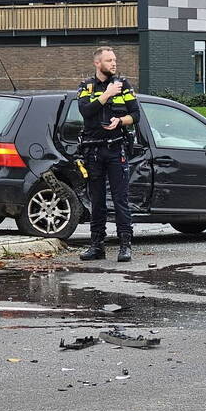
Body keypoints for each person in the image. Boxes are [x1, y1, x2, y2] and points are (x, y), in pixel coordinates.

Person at [76, 46, 140, 262]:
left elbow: (136, 115)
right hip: (93, 149)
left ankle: (125, 246)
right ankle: (97, 246)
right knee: (97, 200)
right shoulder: (86, 86)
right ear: (97, 63)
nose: (114, 63)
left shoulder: (123, 85)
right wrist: (106, 95)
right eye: (109, 60)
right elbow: (85, 111)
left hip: (115, 148)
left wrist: (121, 121)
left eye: (114, 60)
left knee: (121, 199)